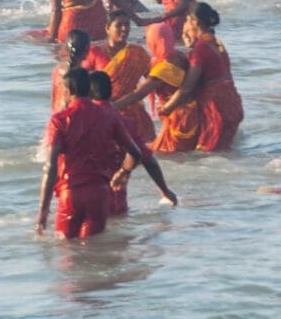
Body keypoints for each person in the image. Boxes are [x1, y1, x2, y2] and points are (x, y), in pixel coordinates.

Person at [36, 67, 141, 240]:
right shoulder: (108, 115)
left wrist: (43, 209)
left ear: (68, 91)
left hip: (71, 193)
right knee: (93, 247)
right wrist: (123, 172)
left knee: (67, 248)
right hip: (100, 193)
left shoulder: (60, 120)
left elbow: (51, 166)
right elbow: (135, 153)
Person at [87, 70, 177, 213]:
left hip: (84, 196)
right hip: (116, 198)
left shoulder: (79, 120)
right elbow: (148, 160)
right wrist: (165, 190)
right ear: (111, 92)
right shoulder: (124, 122)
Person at [158, 3, 243, 152]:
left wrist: (166, 108)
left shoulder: (201, 47)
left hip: (215, 109)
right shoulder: (216, 43)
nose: (184, 25)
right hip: (232, 104)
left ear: (194, 22)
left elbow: (187, 88)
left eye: (186, 20)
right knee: (224, 154)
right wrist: (190, 44)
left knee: (208, 155)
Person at [112, 23, 201, 154]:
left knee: (168, 156)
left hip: (178, 119)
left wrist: (110, 107)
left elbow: (138, 95)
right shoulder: (179, 56)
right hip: (191, 114)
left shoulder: (165, 67)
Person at [86, 12, 155, 144]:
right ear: (107, 28)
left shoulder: (137, 53)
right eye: (119, 25)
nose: (124, 29)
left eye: (127, 25)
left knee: (140, 149)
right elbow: (82, 83)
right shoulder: (95, 53)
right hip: (103, 112)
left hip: (132, 112)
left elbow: (153, 79)